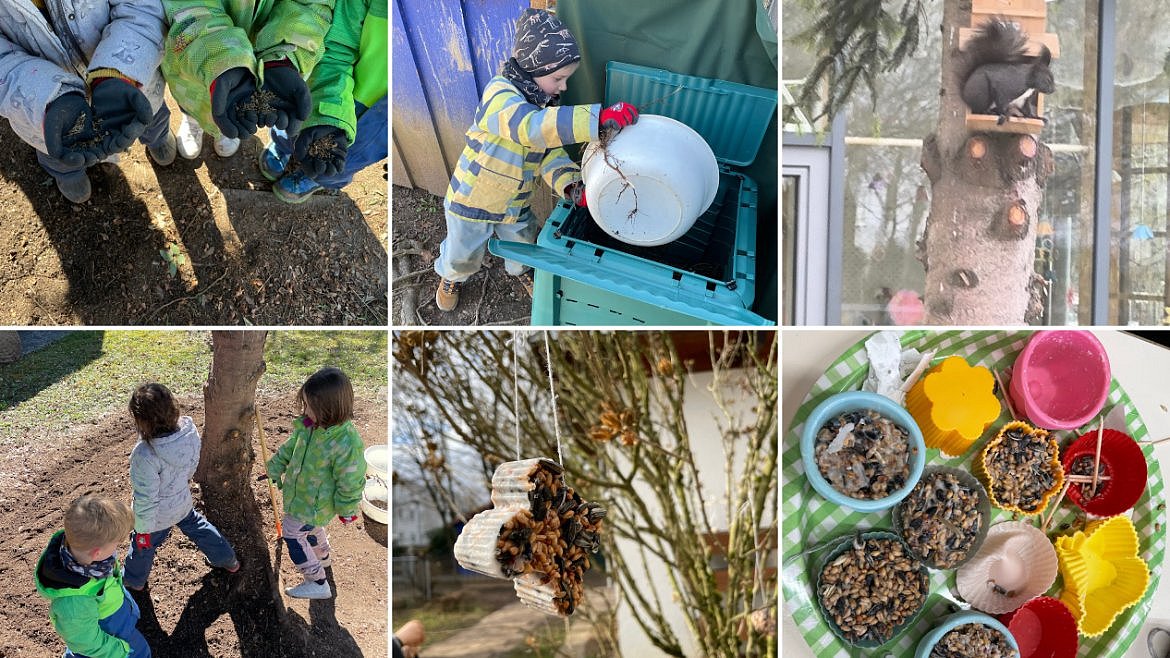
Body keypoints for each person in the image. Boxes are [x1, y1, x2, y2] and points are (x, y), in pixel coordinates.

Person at [433, 8, 639, 312]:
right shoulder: (500, 96)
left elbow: (548, 153)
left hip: (515, 203)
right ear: (534, 67)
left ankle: (522, 270)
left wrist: (570, 183)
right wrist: (595, 120)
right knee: (463, 253)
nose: (564, 87)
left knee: (523, 242)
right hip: (473, 202)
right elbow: (529, 128)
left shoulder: (542, 103)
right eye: (558, 78)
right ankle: (452, 277)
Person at [0, 0, 176, 204]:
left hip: (133, 77)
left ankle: (158, 137)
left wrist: (117, 72)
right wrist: (49, 97)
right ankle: (68, 174)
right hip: (39, 109)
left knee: (150, 115)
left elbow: (143, 8)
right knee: (58, 150)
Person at [159, 0, 335, 159]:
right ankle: (192, 122)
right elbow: (185, 5)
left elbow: (314, 7)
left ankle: (222, 133)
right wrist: (221, 59)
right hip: (195, 54)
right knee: (195, 103)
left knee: (231, 114)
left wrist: (284, 58)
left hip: (260, 55)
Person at [258, 0, 387, 203]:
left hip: (385, 124)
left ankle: (315, 179)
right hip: (338, 86)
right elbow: (338, 47)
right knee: (292, 122)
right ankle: (282, 147)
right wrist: (330, 110)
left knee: (344, 162)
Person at [122, 383, 240, 591]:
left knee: (142, 547)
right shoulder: (188, 431)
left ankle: (134, 580)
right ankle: (227, 559)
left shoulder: (145, 455)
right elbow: (191, 466)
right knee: (199, 528)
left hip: (156, 517)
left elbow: (146, 498)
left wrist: (142, 530)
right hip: (181, 502)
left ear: (142, 421)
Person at [266, 367, 366, 599]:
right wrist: (276, 466)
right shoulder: (311, 425)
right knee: (312, 528)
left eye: (309, 406)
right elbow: (293, 446)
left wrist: (347, 508)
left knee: (292, 534)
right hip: (302, 496)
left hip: (315, 502)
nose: (305, 410)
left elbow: (351, 479)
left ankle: (317, 581)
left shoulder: (346, 442)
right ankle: (323, 556)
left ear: (328, 409)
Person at [35, 495, 151, 658]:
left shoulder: (82, 547)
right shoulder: (75, 603)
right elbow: (85, 642)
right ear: (97, 552)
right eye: (117, 543)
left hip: (116, 623)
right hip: (110, 642)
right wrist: (120, 650)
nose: (117, 547)